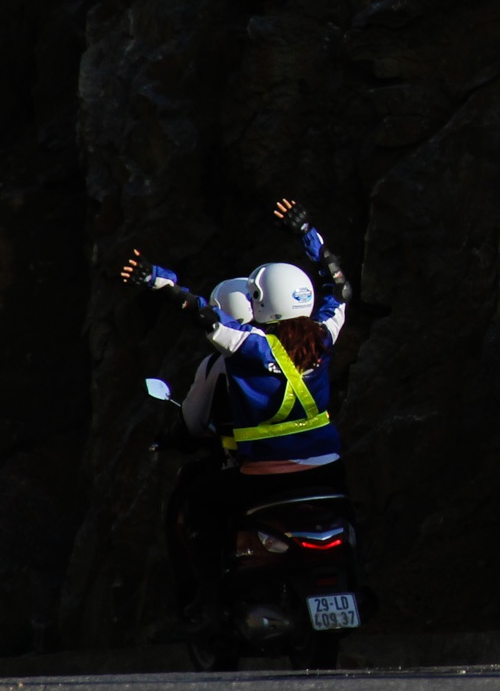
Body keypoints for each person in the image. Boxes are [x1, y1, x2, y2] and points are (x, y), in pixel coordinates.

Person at [121, 198, 354, 617]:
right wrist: (306, 231)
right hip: (328, 468)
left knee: (204, 512)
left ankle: (211, 599)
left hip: (264, 478)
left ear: (261, 302)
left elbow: (201, 313)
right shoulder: (324, 336)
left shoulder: (249, 346)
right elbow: (339, 285)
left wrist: (156, 280)